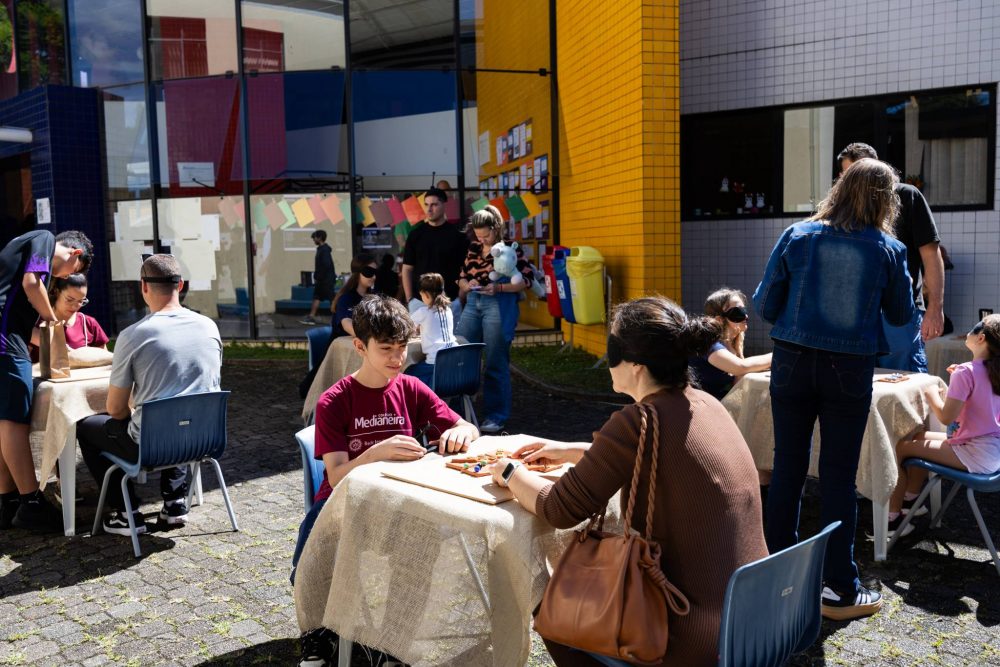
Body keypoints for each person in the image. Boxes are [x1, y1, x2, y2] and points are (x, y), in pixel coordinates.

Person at [489, 296, 768, 666]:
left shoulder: (639, 421)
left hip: (690, 634)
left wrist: (509, 472)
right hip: (754, 619)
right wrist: (573, 450)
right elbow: (661, 456)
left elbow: (557, 508)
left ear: (636, 365)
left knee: (553, 608)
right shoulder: (705, 403)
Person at [753, 158, 914, 621]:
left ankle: (774, 577)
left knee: (787, 465)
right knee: (839, 476)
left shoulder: (798, 234)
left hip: (791, 361)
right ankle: (839, 588)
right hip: (850, 367)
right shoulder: (888, 248)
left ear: (839, 189)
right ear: (886, 201)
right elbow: (901, 315)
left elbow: (765, 305)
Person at [293, 294, 479, 666]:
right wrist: (375, 453)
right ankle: (318, 632)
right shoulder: (334, 401)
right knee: (313, 555)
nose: (397, 359)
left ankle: (394, 640)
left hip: (397, 500)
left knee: (422, 549)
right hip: (343, 503)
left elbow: (466, 426)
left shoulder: (411, 389)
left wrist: (463, 431)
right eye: (386, 349)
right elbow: (337, 475)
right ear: (360, 347)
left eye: (402, 348)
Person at [76, 255, 222, 535]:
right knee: (179, 413)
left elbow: (116, 409)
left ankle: (126, 512)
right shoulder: (209, 326)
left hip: (151, 445)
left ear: (143, 286)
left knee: (87, 427)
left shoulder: (134, 335)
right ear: (181, 285)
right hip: (203, 438)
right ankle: (175, 503)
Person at [0, 230, 93, 532]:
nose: (64, 277)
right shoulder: (44, 238)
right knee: (14, 421)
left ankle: (8, 503)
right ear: (75, 254)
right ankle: (32, 504)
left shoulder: (23, 248)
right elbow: (31, 284)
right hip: (5, 343)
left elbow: (22, 310)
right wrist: (53, 320)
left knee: (4, 420)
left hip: (9, 336)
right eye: (72, 271)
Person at [888, 315, 1000, 536]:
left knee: (899, 448)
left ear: (981, 338)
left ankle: (892, 521)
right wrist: (960, 377)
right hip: (992, 453)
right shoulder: (988, 371)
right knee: (919, 437)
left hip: (975, 452)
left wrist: (932, 395)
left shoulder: (966, 372)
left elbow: (946, 418)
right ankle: (911, 502)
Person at [838, 142, 945, 372]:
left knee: (905, 379)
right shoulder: (843, 208)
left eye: (858, 171)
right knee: (859, 381)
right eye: (847, 175)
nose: (854, 180)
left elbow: (931, 255)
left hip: (900, 311)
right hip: (855, 313)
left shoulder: (906, 195)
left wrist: (935, 308)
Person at [456, 205, 535, 433]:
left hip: (497, 304)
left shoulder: (510, 247)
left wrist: (499, 288)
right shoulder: (473, 248)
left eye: (486, 236)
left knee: (495, 360)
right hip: (473, 302)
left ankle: (495, 416)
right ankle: (459, 413)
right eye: (478, 235)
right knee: (460, 354)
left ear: (496, 228)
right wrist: (467, 284)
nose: (482, 240)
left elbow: (526, 280)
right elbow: (461, 276)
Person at [688, 287, 771, 400]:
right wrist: (776, 356)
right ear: (719, 319)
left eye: (744, 310)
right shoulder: (708, 342)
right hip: (700, 406)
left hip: (719, 403)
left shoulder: (732, 344)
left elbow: (737, 381)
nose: (746, 316)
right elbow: (740, 367)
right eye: (738, 312)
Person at [401, 187, 468, 323]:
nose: (429, 209)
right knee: (419, 337)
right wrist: (410, 299)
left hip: (450, 300)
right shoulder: (415, 235)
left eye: (434, 204)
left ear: (444, 205)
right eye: (426, 204)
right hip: (419, 302)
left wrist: (460, 298)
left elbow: (465, 269)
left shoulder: (457, 236)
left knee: (451, 337)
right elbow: (407, 269)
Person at [29, 273, 109, 360]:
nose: (75, 306)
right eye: (69, 300)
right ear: (56, 292)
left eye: (81, 301)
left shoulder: (88, 323)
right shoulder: (37, 322)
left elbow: (105, 358)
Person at [404, 273, 457, 389]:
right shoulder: (448, 310)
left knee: (407, 373)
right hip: (454, 359)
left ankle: (426, 396)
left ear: (426, 294)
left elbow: (405, 328)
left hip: (435, 363)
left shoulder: (424, 312)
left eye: (421, 295)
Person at [330, 253, 377, 339]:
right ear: (358, 273)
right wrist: (370, 339)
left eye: (375, 272)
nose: (374, 277)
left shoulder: (374, 297)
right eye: (369, 272)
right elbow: (347, 324)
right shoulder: (345, 298)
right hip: (344, 345)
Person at [301, 230, 336, 326]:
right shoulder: (322, 249)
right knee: (317, 297)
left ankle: (338, 317)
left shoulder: (324, 250)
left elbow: (326, 265)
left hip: (326, 280)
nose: (313, 240)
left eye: (314, 238)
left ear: (320, 238)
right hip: (323, 279)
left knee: (331, 298)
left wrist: (319, 276)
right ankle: (312, 316)